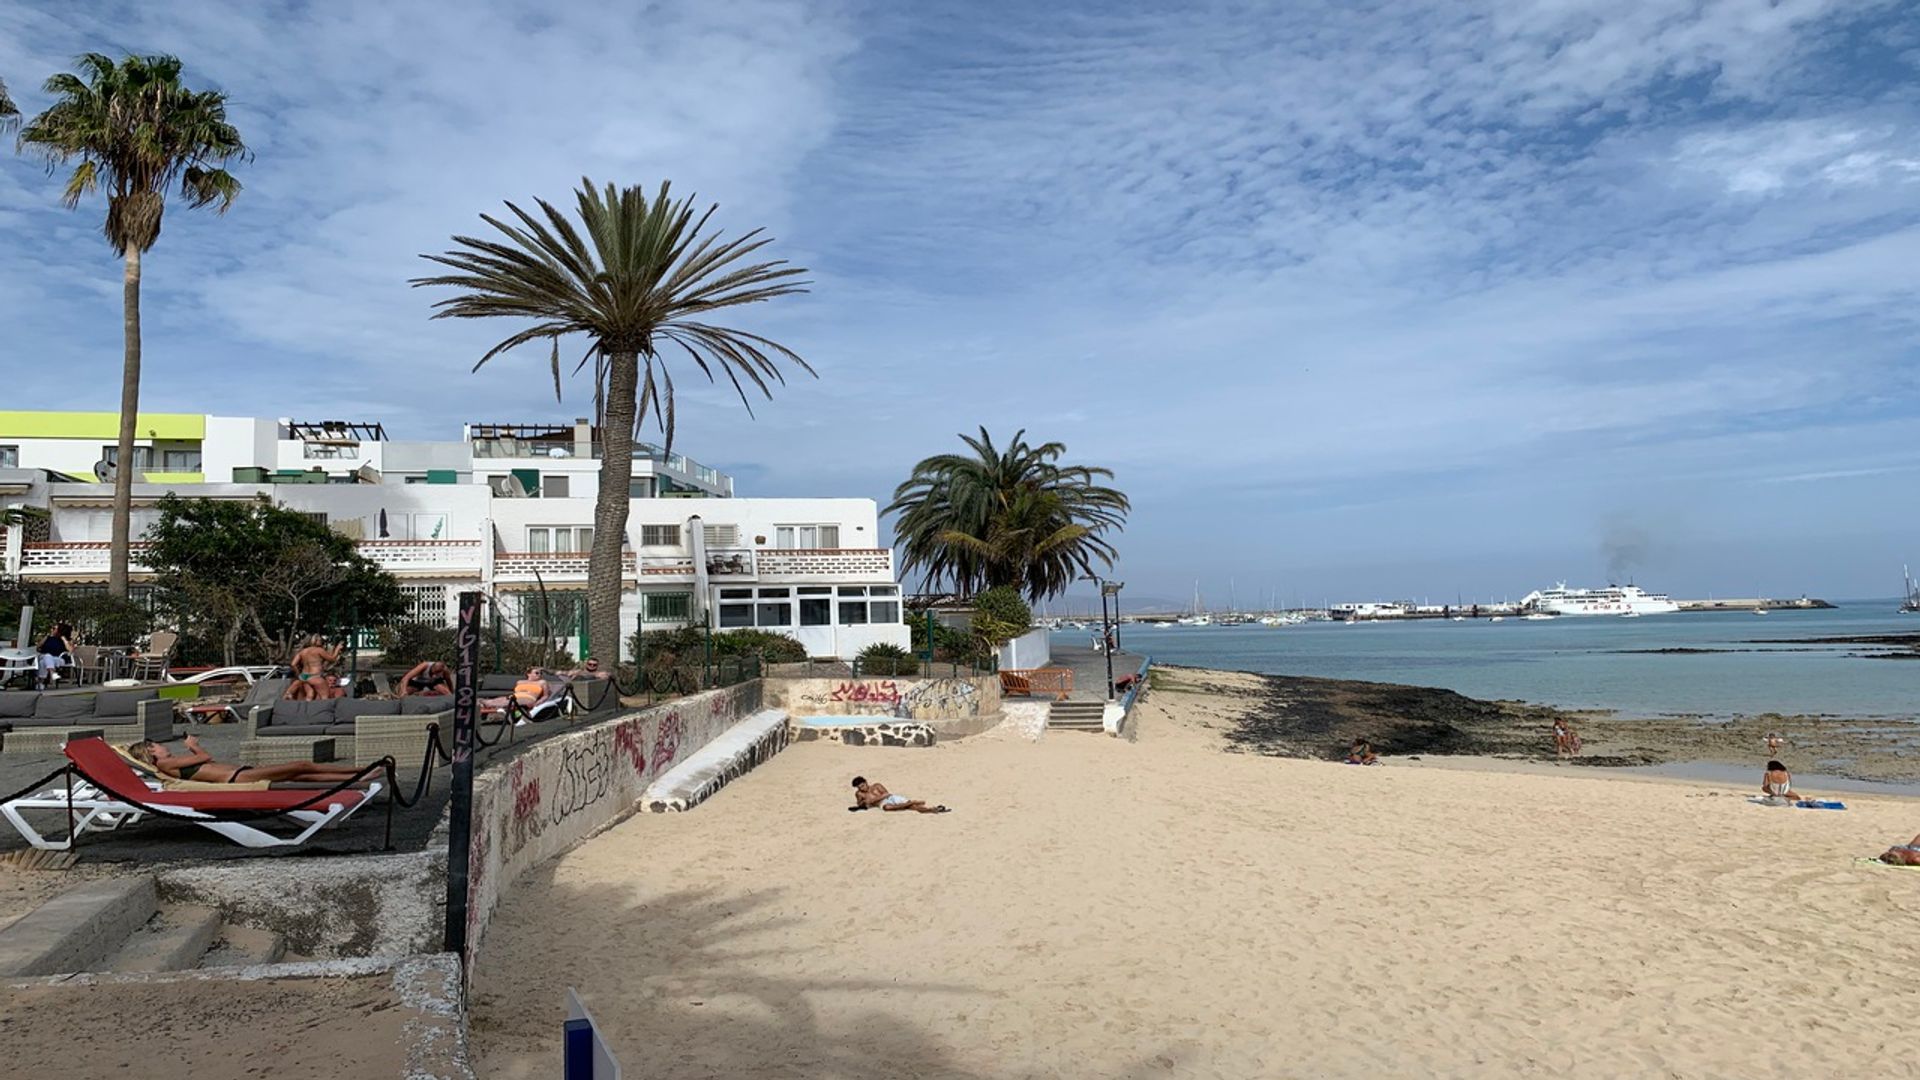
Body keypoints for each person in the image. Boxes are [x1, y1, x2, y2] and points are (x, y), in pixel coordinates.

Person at [128, 735, 368, 786]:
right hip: (238, 778)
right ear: (152, 752)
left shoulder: (169, 763)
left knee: (300, 774)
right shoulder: (165, 764)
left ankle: (358, 777)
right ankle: (361, 770)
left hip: (240, 773)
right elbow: (206, 758)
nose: (161, 745)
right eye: (156, 745)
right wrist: (193, 746)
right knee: (301, 766)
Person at [285, 635, 345, 701]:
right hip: (314, 676)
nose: (321, 642)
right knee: (325, 696)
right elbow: (332, 659)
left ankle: (306, 709)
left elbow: (293, 664)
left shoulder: (303, 651)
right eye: (320, 640)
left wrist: (298, 674)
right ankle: (323, 709)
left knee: (310, 694)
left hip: (304, 676)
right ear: (316, 641)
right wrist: (337, 649)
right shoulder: (319, 650)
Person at [850, 775, 950, 813]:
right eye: (859, 787)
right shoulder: (859, 794)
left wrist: (871, 800)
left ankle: (931, 809)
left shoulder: (876, 786)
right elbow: (860, 804)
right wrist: (863, 802)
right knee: (887, 808)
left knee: (912, 808)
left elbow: (887, 794)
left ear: (866, 782)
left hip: (890, 799)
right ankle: (919, 805)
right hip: (883, 804)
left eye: (862, 785)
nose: (862, 789)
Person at [36, 622, 74, 689]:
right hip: (45, 657)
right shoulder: (48, 638)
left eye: (54, 628)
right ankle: (52, 673)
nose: (52, 630)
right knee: (47, 656)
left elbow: (70, 650)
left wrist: (63, 639)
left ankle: (41, 682)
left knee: (43, 662)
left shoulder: (65, 640)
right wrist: (46, 637)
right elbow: (38, 646)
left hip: (58, 659)